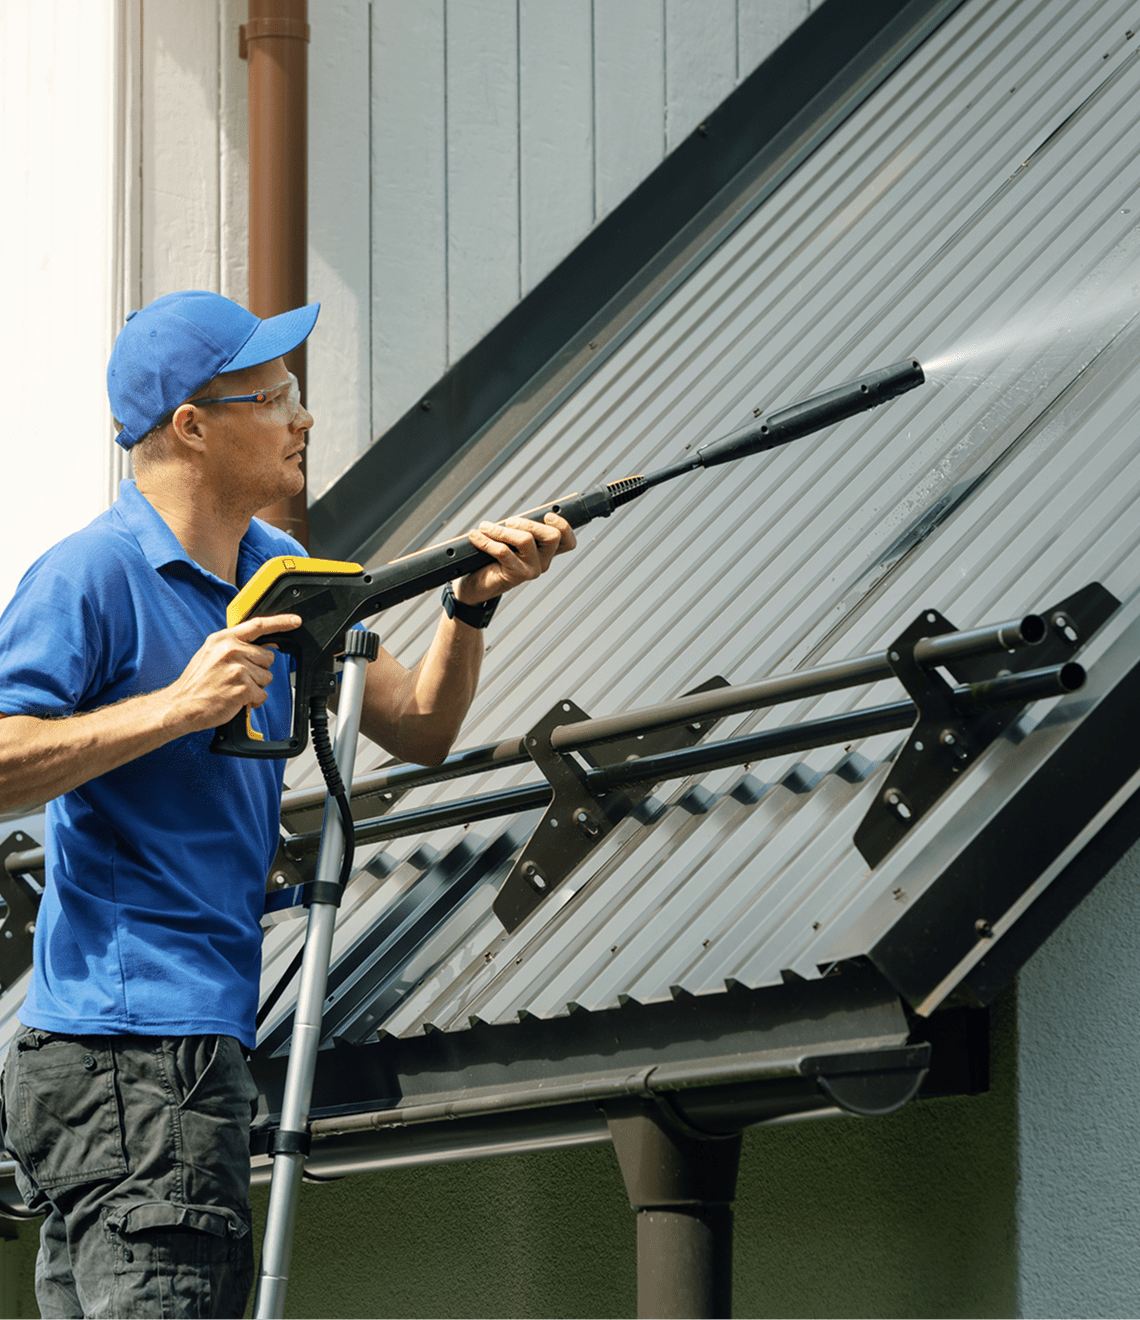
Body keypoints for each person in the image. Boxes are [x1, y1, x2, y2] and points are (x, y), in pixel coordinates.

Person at [0, 290, 576, 1319]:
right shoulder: (93, 575)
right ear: (194, 426)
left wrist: (469, 605)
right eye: (277, 398)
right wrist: (174, 708)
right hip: (134, 1055)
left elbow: (420, 726)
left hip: (169, 1054)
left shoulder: (282, 575)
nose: (304, 420)